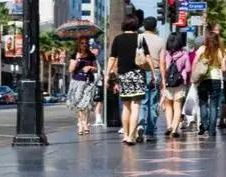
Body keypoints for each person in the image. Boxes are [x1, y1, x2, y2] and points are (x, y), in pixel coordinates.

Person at [107, 15, 150, 145]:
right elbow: (147, 57)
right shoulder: (140, 38)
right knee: (136, 105)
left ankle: (126, 135)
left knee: (126, 107)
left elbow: (112, 58)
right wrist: (153, 72)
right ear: (136, 25)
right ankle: (132, 136)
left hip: (123, 75)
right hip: (137, 74)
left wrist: (107, 74)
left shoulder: (118, 39)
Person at [139, 16, 165, 142]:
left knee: (142, 101)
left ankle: (140, 125)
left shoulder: (139, 38)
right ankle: (150, 131)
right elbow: (163, 62)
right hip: (155, 71)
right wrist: (163, 80)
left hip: (141, 71)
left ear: (144, 26)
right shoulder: (160, 41)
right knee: (153, 103)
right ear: (155, 27)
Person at [194, 31, 224, 137]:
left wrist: (193, 77)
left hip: (202, 79)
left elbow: (194, 62)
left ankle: (205, 125)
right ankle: (212, 130)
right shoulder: (219, 51)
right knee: (214, 106)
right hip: (215, 79)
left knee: (203, 103)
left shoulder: (202, 49)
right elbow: (223, 67)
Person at [162, 32, 190, 138]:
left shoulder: (166, 54)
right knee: (177, 106)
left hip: (168, 82)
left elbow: (164, 67)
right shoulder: (184, 54)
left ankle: (169, 126)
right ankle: (174, 129)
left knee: (168, 105)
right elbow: (188, 69)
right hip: (179, 82)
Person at [67, 37, 97, 135]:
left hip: (89, 81)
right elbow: (71, 70)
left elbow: (96, 68)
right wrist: (77, 59)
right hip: (77, 82)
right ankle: (81, 123)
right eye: (82, 43)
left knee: (87, 103)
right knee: (79, 103)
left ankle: (85, 123)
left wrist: (90, 67)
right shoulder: (74, 55)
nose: (84, 45)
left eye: (86, 43)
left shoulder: (91, 56)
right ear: (78, 44)